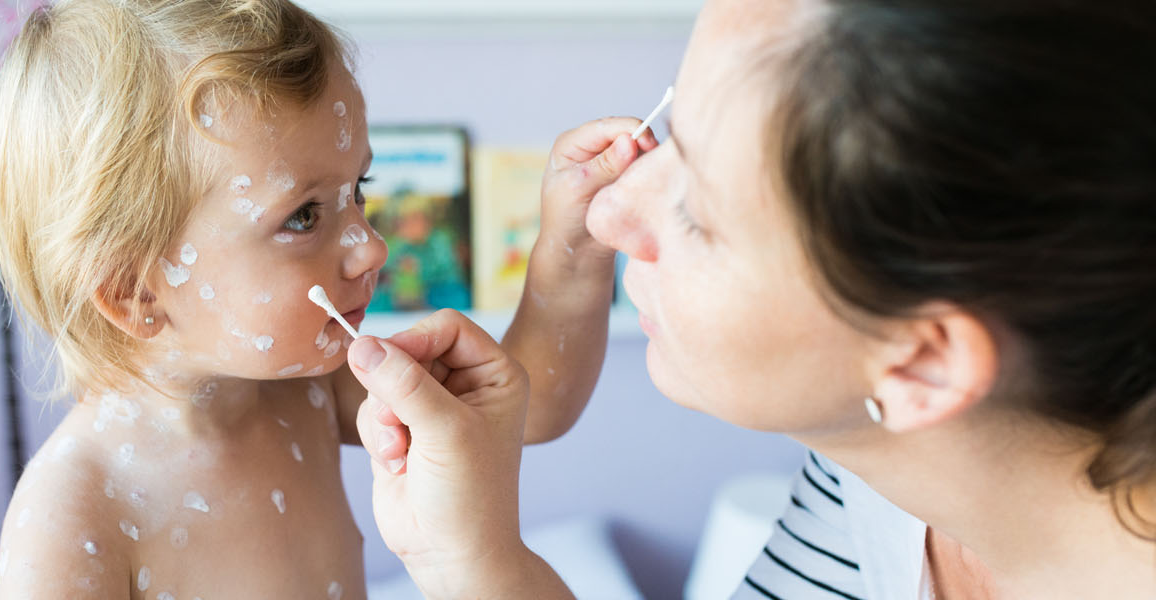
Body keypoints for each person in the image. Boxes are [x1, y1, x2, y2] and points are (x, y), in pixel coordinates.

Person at [346, 0, 1156, 597]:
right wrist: (470, 561)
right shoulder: (878, 470)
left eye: (698, 211)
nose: (606, 212)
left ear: (924, 364)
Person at [0, 0, 646, 596]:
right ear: (136, 292)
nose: (372, 247)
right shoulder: (73, 514)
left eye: (360, 190)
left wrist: (576, 244)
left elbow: (527, 407)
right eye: (303, 217)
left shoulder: (305, 390)